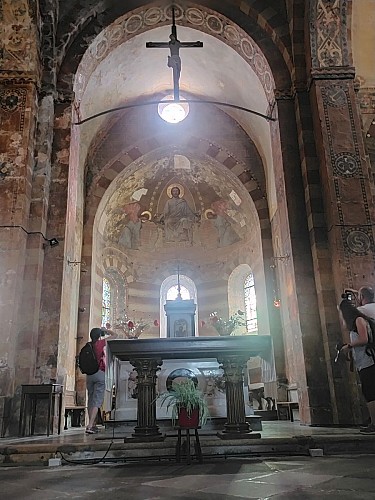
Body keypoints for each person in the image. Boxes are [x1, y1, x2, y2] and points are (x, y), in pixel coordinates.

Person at [338, 299, 375, 433]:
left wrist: (349, 345)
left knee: (370, 392)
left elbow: (364, 339)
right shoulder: (354, 323)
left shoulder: (359, 320)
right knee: (369, 392)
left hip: (369, 361)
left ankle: (374, 424)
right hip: (363, 362)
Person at [86, 323, 115, 434]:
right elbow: (115, 335)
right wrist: (106, 331)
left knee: (91, 399)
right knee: (97, 401)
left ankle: (92, 424)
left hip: (89, 375)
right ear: (99, 335)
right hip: (99, 373)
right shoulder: (100, 343)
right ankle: (89, 426)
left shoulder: (88, 345)